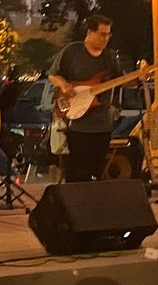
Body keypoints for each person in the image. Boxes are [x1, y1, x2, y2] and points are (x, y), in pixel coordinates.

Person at [47, 15, 125, 183]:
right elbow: (53, 75)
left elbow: (121, 80)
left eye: (108, 35)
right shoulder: (72, 52)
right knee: (78, 170)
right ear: (90, 32)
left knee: (98, 168)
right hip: (79, 122)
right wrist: (64, 85)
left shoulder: (109, 57)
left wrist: (143, 75)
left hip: (103, 122)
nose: (106, 39)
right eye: (102, 34)